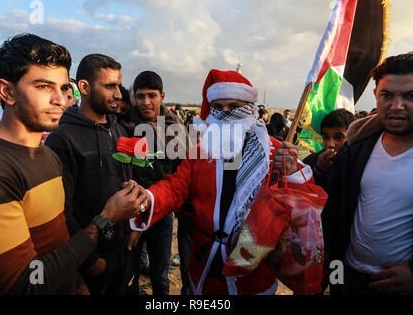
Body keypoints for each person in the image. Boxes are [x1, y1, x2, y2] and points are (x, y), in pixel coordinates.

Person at [0, 34, 144, 295]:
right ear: (8, 91)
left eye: (62, 88)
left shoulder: (45, 155)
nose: (59, 99)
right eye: (44, 86)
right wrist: (105, 220)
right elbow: (24, 284)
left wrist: (77, 283)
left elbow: (56, 240)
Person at [127, 69, 313, 295]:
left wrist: (292, 173)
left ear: (250, 108)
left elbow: (302, 210)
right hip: (205, 261)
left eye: (233, 107)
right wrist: (149, 198)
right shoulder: (201, 151)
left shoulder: (273, 153)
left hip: (253, 270)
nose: (225, 114)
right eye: (218, 108)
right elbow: (175, 185)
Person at [45, 53, 137, 295]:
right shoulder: (63, 139)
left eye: (118, 85)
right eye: (109, 86)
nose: (118, 94)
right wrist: (91, 262)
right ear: (84, 87)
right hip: (91, 261)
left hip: (122, 250)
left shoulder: (117, 129)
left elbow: (123, 182)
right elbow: (61, 212)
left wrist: (135, 224)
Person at [322, 52, 413, 295]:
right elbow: (333, 208)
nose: (397, 106)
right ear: (376, 96)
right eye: (387, 95)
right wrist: (332, 269)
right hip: (347, 275)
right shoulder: (355, 150)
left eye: (410, 96)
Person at [120, 70, 189, 295]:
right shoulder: (124, 121)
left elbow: (184, 170)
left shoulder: (175, 125)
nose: (146, 102)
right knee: (129, 273)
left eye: (152, 95)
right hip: (129, 210)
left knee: (160, 274)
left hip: (161, 211)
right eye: (140, 96)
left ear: (162, 96)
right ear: (133, 97)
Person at [303, 109, 356, 188]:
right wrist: (319, 172)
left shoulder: (358, 163)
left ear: (352, 137)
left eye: (338, 137)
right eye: (326, 137)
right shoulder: (310, 163)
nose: (330, 144)